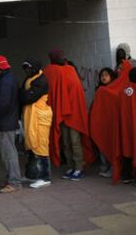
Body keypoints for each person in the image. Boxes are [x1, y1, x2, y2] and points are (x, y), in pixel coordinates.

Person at [44, 50, 92, 181]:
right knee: (66, 142)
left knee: (75, 142)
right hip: (64, 112)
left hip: (73, 113)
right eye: (60, 57)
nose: (63, 58)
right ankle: (71, 167)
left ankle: (78, 168)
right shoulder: (56, 71)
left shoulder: (69, 70)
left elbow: (75, 92)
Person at [0, 55, 22, 193]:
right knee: (8, 152)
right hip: (9, 120)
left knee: (9, 153)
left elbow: (2, 104)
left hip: (5, 122)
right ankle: (11, 178)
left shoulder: (5, 82)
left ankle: (14, 182)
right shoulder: (10, 78)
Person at [19, 59, 53, 188]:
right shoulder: (29, 79)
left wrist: (23, 95)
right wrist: (23, 94)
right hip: (31, 117)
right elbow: (23, 95)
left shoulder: (41, 80)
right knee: (32, 146)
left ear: (34, 68)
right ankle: (31, 175)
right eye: (25, 68)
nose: (26, 71)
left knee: (41, 147)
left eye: (28, 68)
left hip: (40, 118)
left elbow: (28, 97)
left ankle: (45, 177)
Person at [95, 67, 117, 178]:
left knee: (111, 146)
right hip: (101, 123)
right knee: (102, 146)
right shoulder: (99, 89)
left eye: (106, 75)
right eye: (102, 75)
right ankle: (105, 167)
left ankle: (113, 168)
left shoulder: (115, 90)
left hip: (112, 124)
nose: (103, 77)